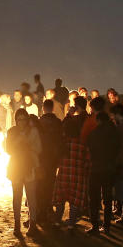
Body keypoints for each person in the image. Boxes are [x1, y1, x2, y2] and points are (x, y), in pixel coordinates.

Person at [52, 97, 90, 230]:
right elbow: (87, 159)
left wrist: (69, 114)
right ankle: (71, 224)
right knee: (74, 201)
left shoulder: (63, 143)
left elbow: (63, 124)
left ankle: (57, 220)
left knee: (60, 200)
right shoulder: (82, 144)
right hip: (78, 176)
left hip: (63, 175)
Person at [5, 109, 41, 237]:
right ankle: (17, 224)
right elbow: (7, 149)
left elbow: (39, 148)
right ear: (16, 120)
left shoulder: (33, 131)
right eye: (19, 119)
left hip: (29, 166)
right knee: (17, 196)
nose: (22, 122)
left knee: (31, 197)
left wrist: (27, 143)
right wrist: (18, 140)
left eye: (24, 119)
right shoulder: (11, 131)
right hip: (16, 166)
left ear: (27, 120)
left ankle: (33, 223)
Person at [85, 98, 119, 234]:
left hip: (96, 168)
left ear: (98, 121)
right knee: (108, 198)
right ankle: (107, 226)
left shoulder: (94, 134)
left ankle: (95, 225)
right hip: (110, 168)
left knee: (94, 199)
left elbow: (90, 149)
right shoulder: (115, 132)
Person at [36, 99, 63, 223]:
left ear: (43, 108)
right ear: (52, 108)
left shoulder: (39, 122)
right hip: (53, 158)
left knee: (40, 185)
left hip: (42, 157)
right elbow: (60, 140)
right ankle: (48, 207)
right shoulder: (57, 122)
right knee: (51, 183)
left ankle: (41, 210)